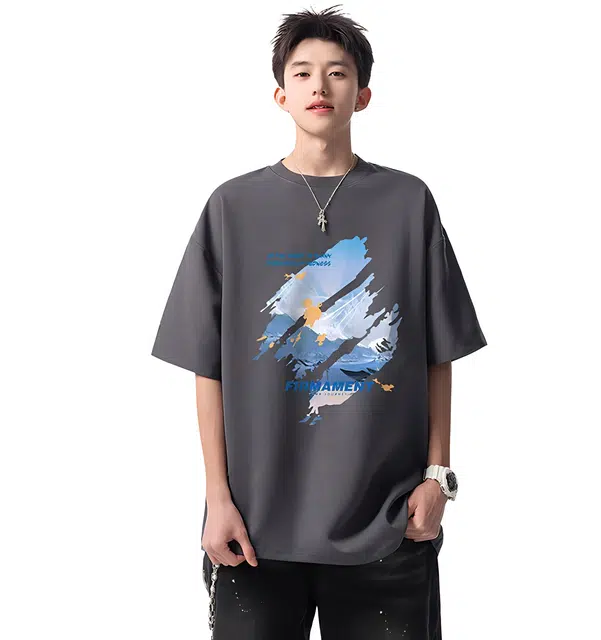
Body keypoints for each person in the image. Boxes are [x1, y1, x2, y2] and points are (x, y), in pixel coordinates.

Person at [150, 5, 487, 639]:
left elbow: (438, 351)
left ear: (363, 94)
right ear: (280, 94)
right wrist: (216, 498)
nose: (319, 86)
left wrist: (437, 478)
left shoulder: (408, 201)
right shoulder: (232, 206)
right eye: (302, 72)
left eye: (337, 72)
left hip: (388, 524)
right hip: (254, 530)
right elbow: (206, 364)